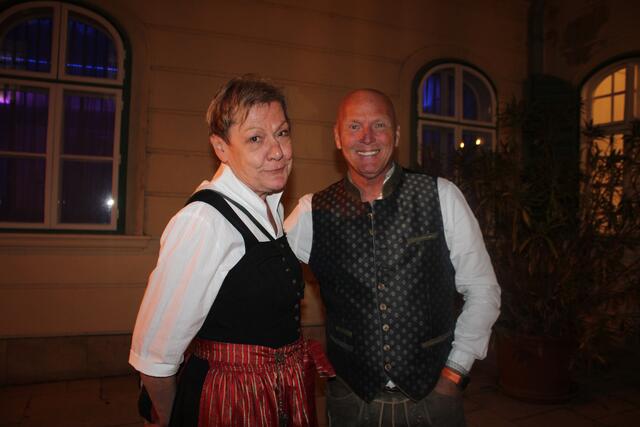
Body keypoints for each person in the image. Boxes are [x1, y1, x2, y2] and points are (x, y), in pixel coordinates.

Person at [285, 89, 501, 427]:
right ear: (337, 138)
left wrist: (454, 373)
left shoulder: (441, 196)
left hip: (433, 400)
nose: (367, 137)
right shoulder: (312, 211)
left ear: (396, 135)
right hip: (350, 401)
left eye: (379, 125)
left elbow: (483, 289)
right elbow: (263, 275)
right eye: (354, 126)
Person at [129, 75, 333, 427]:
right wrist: (177, 417)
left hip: (273, 393)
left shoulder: (269, 205)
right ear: (221, 148)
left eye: (282, 133)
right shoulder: (203, 222)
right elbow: (154, 358)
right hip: (231, 402)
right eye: (256, 138)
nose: (278, 151)